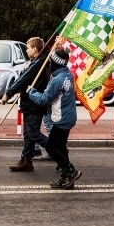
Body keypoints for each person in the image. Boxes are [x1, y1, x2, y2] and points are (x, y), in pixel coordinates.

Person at [27, 46, 81, 189]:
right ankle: (65, 178)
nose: (49, 64)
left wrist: (31, 92)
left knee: (51, 147)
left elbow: (44, 99)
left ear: (55, 62)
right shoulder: (67, 75)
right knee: (61, 148)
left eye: (51, 62)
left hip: (61, 119)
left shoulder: (57, 80)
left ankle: (70, 170)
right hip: (69, 117)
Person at [2, 37, 50, 171]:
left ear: (35, 49)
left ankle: (56, 148)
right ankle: (26, 160)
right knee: (28, 134)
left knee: (33, 133)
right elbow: (25, 78)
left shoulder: (39, 63)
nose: (26, 51)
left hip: (35, 103)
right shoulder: (35, 62)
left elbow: (24, 79)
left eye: (28, 48)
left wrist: (9, 92)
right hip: (29, 103)